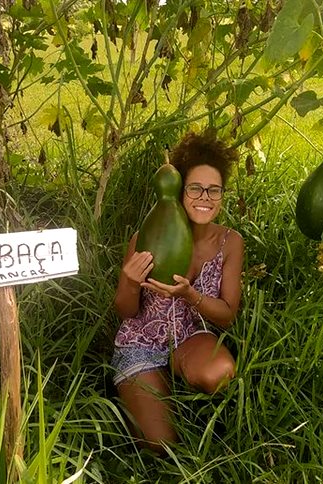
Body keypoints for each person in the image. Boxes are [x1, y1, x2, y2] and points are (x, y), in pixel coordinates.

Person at [111, 130, 245, 454]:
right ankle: (144, 388)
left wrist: (189, 295)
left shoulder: (230, 242)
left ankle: (171, 378)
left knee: (220, 374)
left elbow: (227, 316)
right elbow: (125, 311)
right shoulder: (147, 236)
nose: (205, 197)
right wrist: (130, 281)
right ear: (180, 189)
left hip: (189, 336)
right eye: (195, 188)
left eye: (214, 190)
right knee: (159, 446)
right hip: (141, 342)